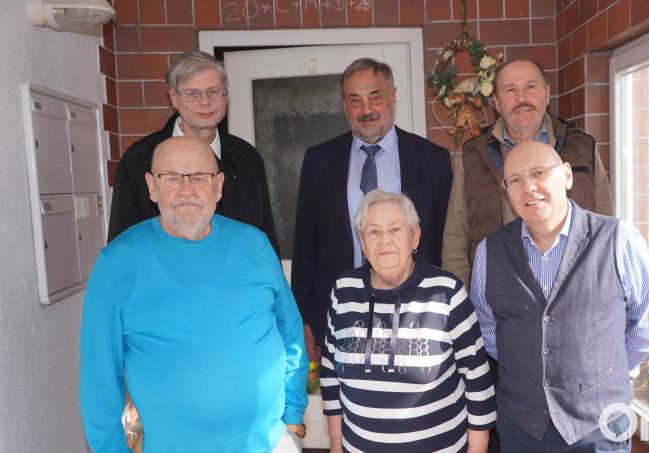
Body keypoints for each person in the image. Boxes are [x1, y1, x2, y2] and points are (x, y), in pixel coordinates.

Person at [80, 137, 308, 452]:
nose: (186, 190)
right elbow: (99, 376)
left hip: (269, 444)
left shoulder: (254, 245)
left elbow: (290, 329)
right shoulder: (118, 263)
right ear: (152, 187)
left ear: (219, 186)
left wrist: (293, 413)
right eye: (172, 178)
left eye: (199, 177)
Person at [470, 140, 649, 452]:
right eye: (516, 180)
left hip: (598, 426)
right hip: (521, 427)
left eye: (538, 173)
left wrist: (606, 372)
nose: (529, 188)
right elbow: (487, 328)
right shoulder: (489, 251)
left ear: (566, 176)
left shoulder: (619, 240)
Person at [292, 58, 453, 364]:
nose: (366, 109)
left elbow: (448, 240)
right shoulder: (319, 161)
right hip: (341, 310)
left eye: (375, 97)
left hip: (416, 311)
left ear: (393, 96)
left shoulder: (432, 159)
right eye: (355, 100)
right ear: (344, 105)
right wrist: (305, 319)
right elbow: (305, 246)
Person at [320, 190, 495, 452]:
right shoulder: (344, 290)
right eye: (374, 232)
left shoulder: (446, 291)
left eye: (395, 230)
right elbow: (330, 371)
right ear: (362, 243)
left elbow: (477, 379)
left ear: (415, 237)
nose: (385, 241)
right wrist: (336, 442)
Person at [442, 59, 613, 287]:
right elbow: (456, 237)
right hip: (496, 297)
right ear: (496, 102)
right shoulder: (474, 154)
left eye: (530, 87)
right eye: (510, 90)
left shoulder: (581, 147)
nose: (521, 99)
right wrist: (460, 303)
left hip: (574, 289)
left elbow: (606, 223)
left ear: (546, 94)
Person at [107, 50, 279, 253]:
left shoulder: (248, 158)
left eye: (214, 91)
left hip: (236, 282)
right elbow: (122, 244)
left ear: (225, 96)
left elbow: (263, 236)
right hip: (167, 282)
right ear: (174, 98)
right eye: (192, 94)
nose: (205, 102)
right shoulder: (140, 159)